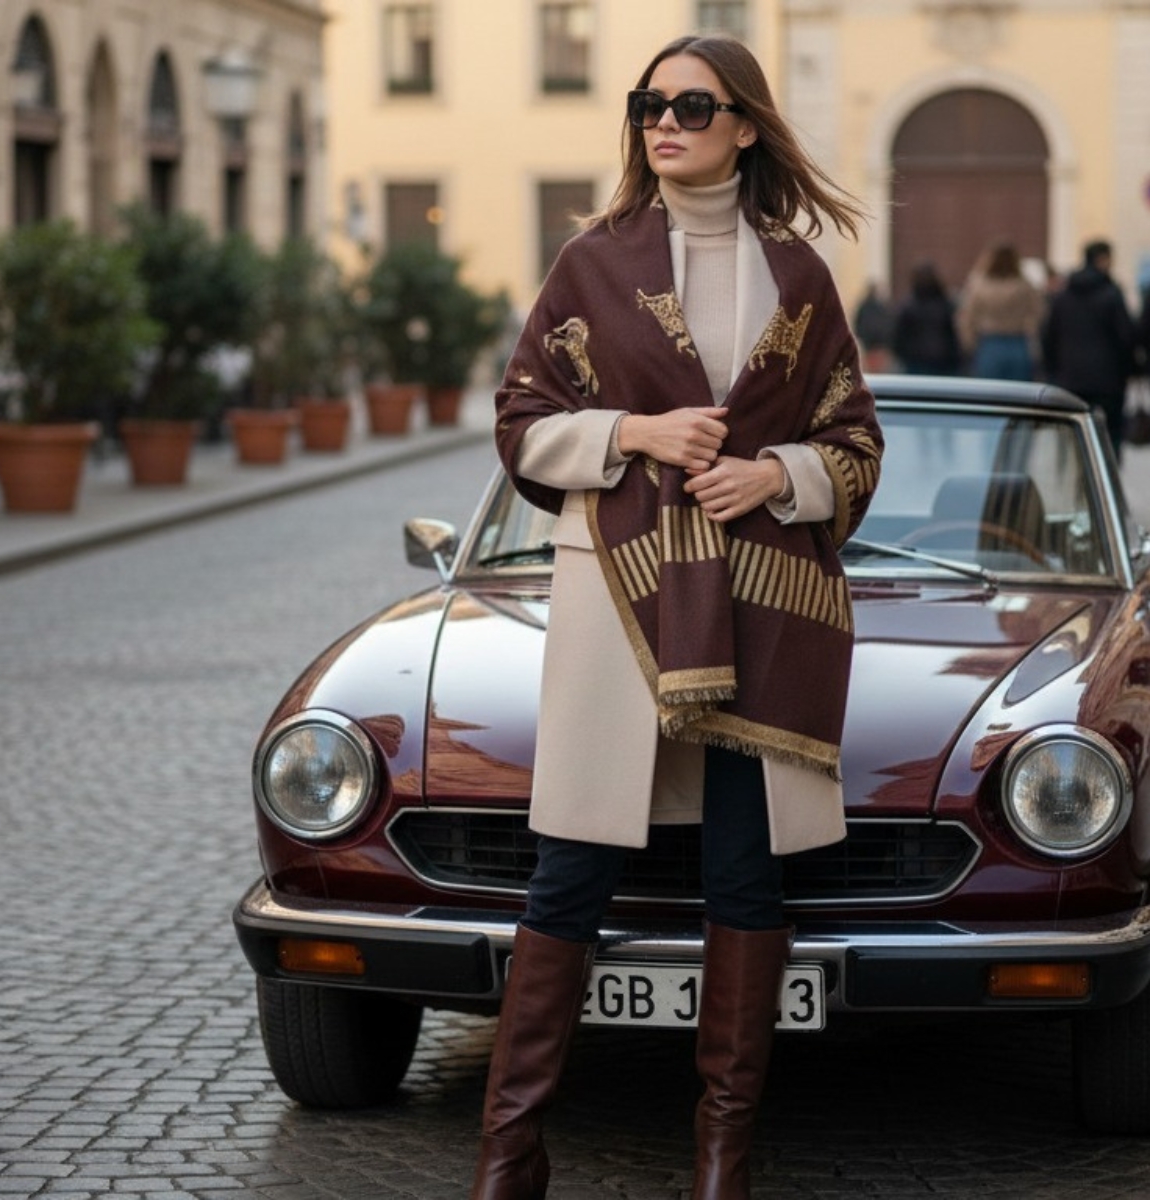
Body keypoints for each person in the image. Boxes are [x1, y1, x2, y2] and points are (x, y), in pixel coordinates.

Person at [476, 33, 884, 1200]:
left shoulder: (798, 276)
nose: (664, 121)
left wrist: (777, 476)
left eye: (692, 106)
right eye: (649, 104)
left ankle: (722, 1161)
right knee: (569, 876)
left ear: (744, 126)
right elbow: (519, 423)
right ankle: (509, 1152)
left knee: (746, 882)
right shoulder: (592, 263)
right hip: (619, 597)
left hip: (760, 606)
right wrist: (633, 434)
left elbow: (855, 439)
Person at [1042, 239, 1138, 462]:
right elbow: (1126, 337)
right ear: (1102, 259)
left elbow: (1048, 337)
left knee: (1072, 433)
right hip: (1108, 379)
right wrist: (1129, 370)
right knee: (1111, 434)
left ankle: (1077, 472)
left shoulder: (1063, 296)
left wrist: (1053, 371)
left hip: (1071, 377)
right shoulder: (1111, 294)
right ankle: (1107, 473)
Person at [955, 241, 1044, 380]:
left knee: (989, 389)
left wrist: (969, 343)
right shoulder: (1024, 286)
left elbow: (967, 318)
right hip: (1017, 341)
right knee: (1018, 389)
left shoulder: (978, 286)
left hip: (989, 343)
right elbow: (1039, 313)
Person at [890, 262, 961, 376]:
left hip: (915, 363)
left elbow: (898, 338)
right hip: (943, 364)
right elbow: (953, 334)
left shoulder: (908, 307)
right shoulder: (945, 305)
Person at [853, 281, 894, 371]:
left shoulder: (864, 307)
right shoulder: (881, 307)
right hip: (878, 344)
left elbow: (858, 323)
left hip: (870, 343)